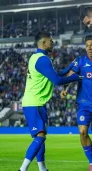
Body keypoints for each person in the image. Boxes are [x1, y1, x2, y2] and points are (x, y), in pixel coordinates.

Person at [19, 31, 81, 171]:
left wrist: (70, 68)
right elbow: (57, 80)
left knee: (42, 137)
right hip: (33, 103)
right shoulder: (42, 60)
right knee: (40, 137)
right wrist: (77, 77)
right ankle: (22, 169)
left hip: (37, 102)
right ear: (43, 43)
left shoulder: (37, 58)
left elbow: (56, 74)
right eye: (50, 40)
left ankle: (42, 169)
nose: (53, 42)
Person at [61, 35, 92, 171]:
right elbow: (70, 75)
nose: (89, 48)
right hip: (84, 104)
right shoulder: (80, 61)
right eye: (87, 45)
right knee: (82, 132)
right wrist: (65, 88)